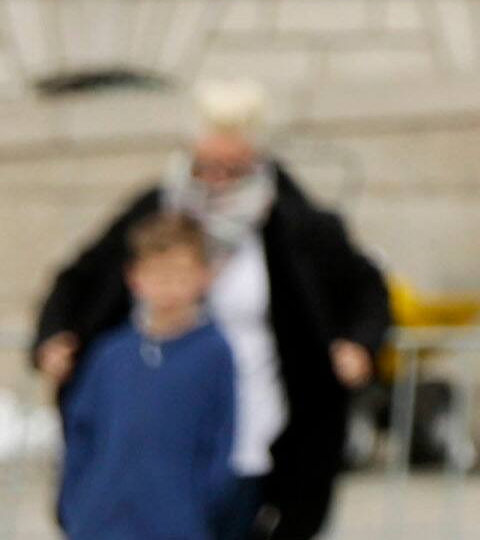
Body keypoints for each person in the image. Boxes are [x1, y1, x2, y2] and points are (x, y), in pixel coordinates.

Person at [33, 83, 388, 540]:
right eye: (207, 167)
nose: (217, 180)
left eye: (232, 168)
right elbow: (80, 279)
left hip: (254, 433)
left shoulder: (294, 220)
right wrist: (55, 337)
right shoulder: (156, 212)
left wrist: (359, 344)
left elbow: (365, 288)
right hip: (164, 434)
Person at [52, 215, 234, 540]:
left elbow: (220, 437)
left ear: (204, 277)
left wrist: (200, 503)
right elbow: (81, 431)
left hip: (175, 523)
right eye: (159, 274)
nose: (169, 286)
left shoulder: (213, 352)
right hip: (100, 521)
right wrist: (75, 503)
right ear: (135, 278)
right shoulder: (110, 354)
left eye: (180, 274)